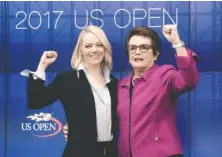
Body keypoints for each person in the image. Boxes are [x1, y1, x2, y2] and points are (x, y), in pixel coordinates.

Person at [63, 25, 199, 157]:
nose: (137, 52)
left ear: (156, 54)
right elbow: (105, 117)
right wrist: (77, 126)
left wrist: (177, 44)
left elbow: (189, 80)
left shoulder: (164, 75)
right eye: (132, 48)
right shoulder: (121, 86)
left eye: (144, 48)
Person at [21, 25, 119, 157]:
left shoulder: (114, 83)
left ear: (105, 48)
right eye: (88, 46)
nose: (94, 50)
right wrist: (42, 66)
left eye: (99, 45)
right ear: (80, 50)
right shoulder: (67, 79)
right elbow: (36, 101)